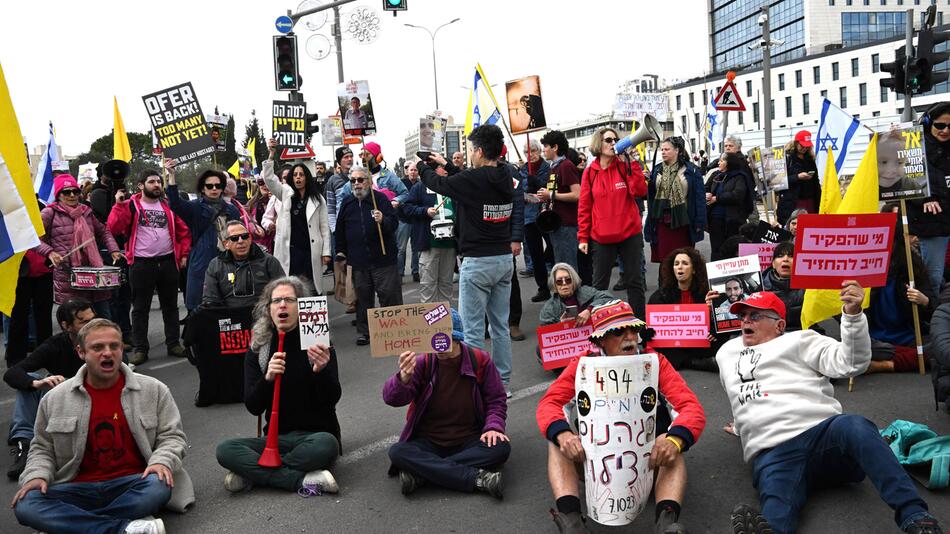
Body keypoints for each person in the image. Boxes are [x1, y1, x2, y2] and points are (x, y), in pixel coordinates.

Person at [716, 289, 942, 534]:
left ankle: (916, 518)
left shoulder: (802, 340)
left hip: (823, 434)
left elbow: (852, 362)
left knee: (855, 426)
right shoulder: (726, 353)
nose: (746, 321)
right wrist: (742, 426)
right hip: (773, 451)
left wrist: (853, 316)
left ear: (780, 325)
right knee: (775, 507)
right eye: (743, 316)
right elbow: (738, 395)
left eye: (755, 316)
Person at [537, 300, 706, 534]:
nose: (630, 337)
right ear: (600, 340)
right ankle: (571, 520)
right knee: (556, 440)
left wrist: (675, 441)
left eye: (633, 329)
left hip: (648, 461)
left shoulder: (655, 363)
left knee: (670, 441)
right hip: (596, 462)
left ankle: (667, 523)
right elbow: (550, 403)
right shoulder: (583, 365)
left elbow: (690, 407)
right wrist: (564, 435)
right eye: (618, 331)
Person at [12, 318, 190, 534]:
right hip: (75, 487)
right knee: (26, 504)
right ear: (81, 352)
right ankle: (124, 527)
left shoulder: (154, 389)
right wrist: (37, 476)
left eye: (114, 346)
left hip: (135, 482)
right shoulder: (55, 398)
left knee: (157, 488)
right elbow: (42, 448)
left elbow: (172, 437)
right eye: (97, 347)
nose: (107, 353)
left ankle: (69, 524)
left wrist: (162, 461)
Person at [417, 124, 518, 393]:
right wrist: (447, 163)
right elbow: (468, 181)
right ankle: (503, 383)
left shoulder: (475, 180)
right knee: (500, 327)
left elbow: (439, 184)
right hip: (503, 260)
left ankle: (475, 383)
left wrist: (425, 166)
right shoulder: (506, 174)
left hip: (477, 263)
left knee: (472, 330)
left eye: (472, 149)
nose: (470, 154)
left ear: (480, 151)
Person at [215, 277, 341, 494]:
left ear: (301, 306)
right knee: (225, 450)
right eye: (276, 301)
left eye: (289, 300)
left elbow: (333, 397)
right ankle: (301, 480)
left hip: (315, 436)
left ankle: (255, 473)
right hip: (276, 439)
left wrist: (321, 372)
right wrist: (268, 379)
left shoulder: (319, 342)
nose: (282, 305)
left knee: (327, 444)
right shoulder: (260, 348)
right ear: (269, 309)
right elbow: (253, 406)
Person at [384, 309, 509, 498]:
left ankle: (422, 473)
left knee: (501, 448)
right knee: (398, 452)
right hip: (429, 440)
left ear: (457, 338)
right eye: (433, 340)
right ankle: (477, 478)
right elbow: (391, 399)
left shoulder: (480, 360)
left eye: (444, 339)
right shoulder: (422, 363)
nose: (438, 347)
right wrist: (403, 377)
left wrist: (493, 427)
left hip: (469, 438)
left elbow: (496, 400)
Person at [107, 169, 191, 366]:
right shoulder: (130, 206)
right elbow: (114, 228)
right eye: (152, 182)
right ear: (141, 185)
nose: (156, 185)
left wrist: (184, 254)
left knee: (171, 306)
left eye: (158, 182)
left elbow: (183, 231)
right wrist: (118, 206)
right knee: (140, 308)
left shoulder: (168, 205)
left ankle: (173, 344)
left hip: (168, 261)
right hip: (141, 263)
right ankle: (140, 349)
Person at [4, 299, 94, 480]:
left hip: (94, 402)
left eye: (93, 319)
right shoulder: (54, 345)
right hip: (63, 404)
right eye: (84, 322)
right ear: (66, 326)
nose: (92, 325)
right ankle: (25, 444)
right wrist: (34, 384)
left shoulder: (104, 341)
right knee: (34, 381)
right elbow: (12, 373)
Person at [577, 128, 648, 316]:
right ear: (598, 144)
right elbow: (584, 206)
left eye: (615, 139)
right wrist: (583, 237)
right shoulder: (590, 173)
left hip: (629, 234)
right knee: (599, 285)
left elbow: (640, 191)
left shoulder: (624, 165)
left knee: (635, 281)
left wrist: (632, 163)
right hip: (602, 237)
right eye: (608, 140)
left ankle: (640, 326)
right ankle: (600, 328)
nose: (613, 143)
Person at [34, 174, 122, 318]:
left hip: (94, 273)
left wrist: (114, 249)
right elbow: (34, 240)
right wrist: (50, 253)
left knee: (103, 319)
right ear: (58, 195)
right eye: (66, 192)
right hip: (68, 276)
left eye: (75, 191)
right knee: (76, 323)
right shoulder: (49, 213)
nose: (72, 195)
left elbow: (104, 231)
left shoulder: (86, 211)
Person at [335, 167, 403, 345]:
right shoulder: (347, 203)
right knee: (364, 298)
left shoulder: (380, 199)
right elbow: (340, 230)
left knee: (389, 295)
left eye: (360, 180)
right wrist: (340, 252)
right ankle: (366, 332)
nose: (356, 184)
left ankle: (393, 331)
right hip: (359, 261)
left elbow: (394, 224)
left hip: (383, 258)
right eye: (353, 181)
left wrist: (383, 220)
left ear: (368, 181)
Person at [165, 162, 240, 311]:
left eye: (218, 186)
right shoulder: (195, 207)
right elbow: (175, 204)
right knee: (199, 305)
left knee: (228, 302)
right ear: (202, 188)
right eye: (209, 186)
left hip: (228, 258)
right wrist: (172, 175)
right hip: (201, 259)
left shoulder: (232, 210)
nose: (214, 189)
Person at [262, 140, 331, 290]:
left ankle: (312, 312)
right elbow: (269, 179)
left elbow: (324, 228)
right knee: (291, 287)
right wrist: (272, 154)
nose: (298, 177)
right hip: (291, 251)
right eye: (295, 175)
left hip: (311, 250)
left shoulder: (318, 199)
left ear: (306, 177)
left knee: (311, 286)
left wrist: (326, 252)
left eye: (301, 174)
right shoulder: (285, 193)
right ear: (291, 178)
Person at [864, 231, 936, 373]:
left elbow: (935, 309)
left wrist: (925, 301)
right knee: (851, 348)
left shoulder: (912, 268)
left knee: (939, 347)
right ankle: (908, 357)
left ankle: (885, 364)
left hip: (909, 337)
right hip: (874, 340)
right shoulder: (863, 272)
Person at [648, 248, 719, 370]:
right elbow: (651, 323)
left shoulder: (706, 293)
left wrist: (713, 325)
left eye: (685, 263)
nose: (679, 267)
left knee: (723, 340)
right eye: (676, 264)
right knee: (651, 345)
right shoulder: (661, 295)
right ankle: (693, 362)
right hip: (674, 344)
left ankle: (688, 361)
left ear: (694, 270)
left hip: (700, 342)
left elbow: (721, 319)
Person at [646, 137, 706, 268]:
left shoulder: (691, 170)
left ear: (677, 150)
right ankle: (664, 286)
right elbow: (651, 197)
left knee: (683, 259)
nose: (663, 152)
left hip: (684, 222)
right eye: (662, 149)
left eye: (667, 149)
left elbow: (699, 198)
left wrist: (700, 221)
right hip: (662, 221)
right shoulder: (657, 170)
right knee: (665, 260)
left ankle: (683, 286)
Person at [910, 101, 950, 293]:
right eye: (940, 125)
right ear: (927, 123)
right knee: (931, 279)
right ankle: (931, 319)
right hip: (932, 224)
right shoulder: (914, 147)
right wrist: (925, 198)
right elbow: (902, 182)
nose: (945, 130)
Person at [402, 169, 458, 304]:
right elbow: (407, 208)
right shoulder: (420, 187)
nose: (446, 171)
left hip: (450, 244)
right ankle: (431, 324)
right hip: (429, 244)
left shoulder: (452, 186)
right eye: (442, 168)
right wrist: (424, 211)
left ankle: (445, 321)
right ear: (435, 170)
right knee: (428, 286)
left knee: (446, 285)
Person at [202, 220, 285, 308]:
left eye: (245, 236)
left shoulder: (269, 261)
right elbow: (210, 300)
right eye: (234, 238)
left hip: (263, 315)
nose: (241, 241)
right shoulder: (216, 265)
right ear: (226, 244)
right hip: (229, 316)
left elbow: (284, 291)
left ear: (250, 239)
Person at [537, 130, 583, 277]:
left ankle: (572, 298)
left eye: (545, 146)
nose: (543, 150)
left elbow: (577, 194)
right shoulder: (553, 167)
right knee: (561, 265)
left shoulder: (566, 166)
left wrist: (550, 194)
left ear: (555, 147)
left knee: (568, 267)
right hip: (556, 224)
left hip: (567, 225)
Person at [520, 140, 553, 300]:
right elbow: (520, 193)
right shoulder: (523, 170)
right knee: (535, 253)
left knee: (553, 246)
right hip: (529, 217)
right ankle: (543, 288)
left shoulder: (548, 167)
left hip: (546, 215)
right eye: (527, 151)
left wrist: (539, 185)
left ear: (539, 151)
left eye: (533, 150)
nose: (530, 154)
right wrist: (530, 194)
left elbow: (551, 189)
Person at [705, 152, 750, 261]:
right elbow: (705, 187)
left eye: (722, 160)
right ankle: (716, 274)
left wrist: (717, 198)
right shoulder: (716, 175)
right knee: (716, 248)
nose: (719, 163)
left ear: (729, 163)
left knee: (731, 248)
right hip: (715, 219)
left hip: (732, 219)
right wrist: (706, 194)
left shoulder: (739, 177)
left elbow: (737, 195)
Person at [539, 263, 613, 327]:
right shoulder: (549, 308)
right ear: (554, 284)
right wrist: (561, 325)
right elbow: (545, 332)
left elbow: (608, 297)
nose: (564, 283)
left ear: (573, 281)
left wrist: (589, 310)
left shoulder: (586, 291)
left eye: (568, 280)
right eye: (559, 281)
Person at [339, 142, 409, 209]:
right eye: (361, 155)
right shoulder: (356, 177)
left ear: (378, 157)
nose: (363, 158)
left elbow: (405, 194)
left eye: (366, 155)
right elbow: (341, 199)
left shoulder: (389, 176)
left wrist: (396, 201)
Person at [777, 131, 820, 226]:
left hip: (810, 199)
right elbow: (778, 181)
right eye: (802, 146)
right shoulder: (787, 158)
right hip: (792, 201)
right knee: (793, 227)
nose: (804, 148)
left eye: (807, 146)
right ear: (796, 143)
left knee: (809, 226)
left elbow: (816, 181)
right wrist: (797, 177)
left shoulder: (810, 159)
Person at [759, 242, 805, 331]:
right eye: (780, 256)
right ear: (773, 264)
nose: (785, 259)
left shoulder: (810, 287)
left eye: (791, 256)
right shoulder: (760, 289)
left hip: (804, 335)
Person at [397, 159, 421, 282]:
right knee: (401, 249)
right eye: (411, 170)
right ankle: (400, 273)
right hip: (404, 220)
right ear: (407, 172)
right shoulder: (401, 183)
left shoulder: (420, 184)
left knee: (416, 248)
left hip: (416, 220)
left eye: (415, 170)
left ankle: (415, 271)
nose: (413, 172)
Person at [247, 177, 277, 254]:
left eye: (268, 183)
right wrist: (254, 229)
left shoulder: (279, 201)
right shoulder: (252, 203)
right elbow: (247, 222)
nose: (264, 185)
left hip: (274, 243)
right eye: (261, 182)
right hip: (257, 244)